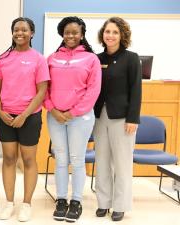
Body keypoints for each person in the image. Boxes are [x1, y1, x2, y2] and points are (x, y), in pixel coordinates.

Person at [44, 16, 101, 222]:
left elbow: (93, 90)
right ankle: (61, 200)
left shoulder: (91, 59)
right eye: (67, 32)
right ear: (62, 34)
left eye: (75, 32)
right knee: (61, 159)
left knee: (77, 160)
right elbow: (44, 88)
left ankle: (76, 202)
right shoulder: (51, 58)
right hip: (55, 116)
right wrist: (52, 109)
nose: (71, 35)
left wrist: (73, 112)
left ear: (82, 34)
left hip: (81, 118)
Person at [0, 17, 49, 222]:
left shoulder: (38, 59)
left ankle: (26, 204)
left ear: (32, 33)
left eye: (24, 30)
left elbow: (42, 91)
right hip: (6, 116)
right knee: (8, 159)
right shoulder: (3, 59)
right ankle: (9, 203)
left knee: (27, 160)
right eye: (16, 30)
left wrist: (24, 115)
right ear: (12, 33)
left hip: (30, 116)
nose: (20, 33)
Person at [93, 17, 141, 222]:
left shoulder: (131, 58)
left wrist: (133, 118)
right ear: (102, 35)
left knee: (122, 164)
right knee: (102, 162)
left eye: (114, 32)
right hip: (99, 117)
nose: (110, 35)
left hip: (122, 118)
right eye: (107, 31)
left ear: (122, 35)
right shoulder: (96, 58)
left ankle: (120, 206)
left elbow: (136, 90)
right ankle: (104, 203)